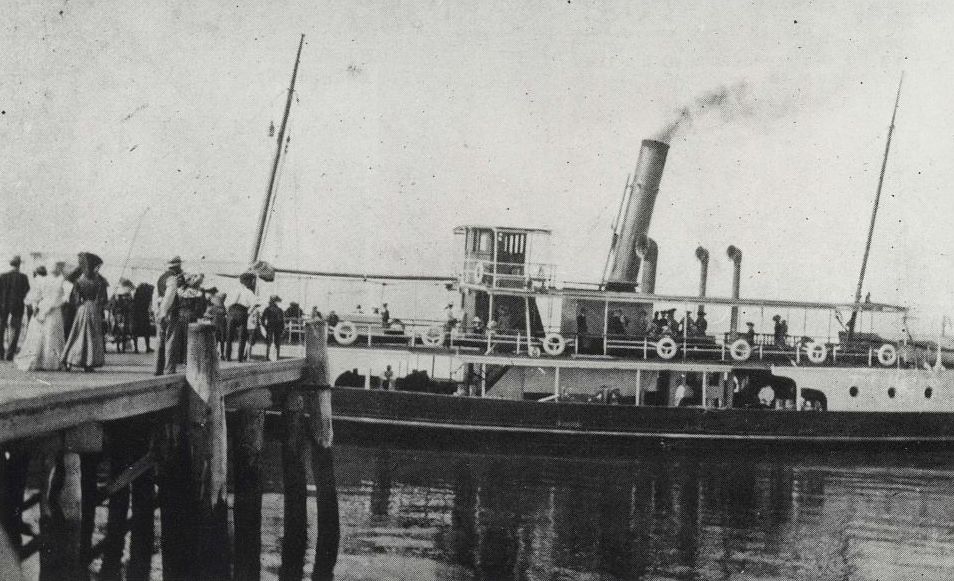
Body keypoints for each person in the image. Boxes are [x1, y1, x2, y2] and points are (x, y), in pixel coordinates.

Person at [16, 261, 67, 371]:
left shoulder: (42, 281)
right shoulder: (60, 281)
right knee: (52, 335)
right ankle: (51, 362)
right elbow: (61, 298)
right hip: (54, 311)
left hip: (42, 308)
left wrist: (35, 307)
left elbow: (34, 296)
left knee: (38, 335)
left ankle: (38, 360)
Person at [62, 253, 108, 372]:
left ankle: (70, 360)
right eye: (97, 266)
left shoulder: (79, 281)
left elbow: (74, 299)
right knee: (91, 336)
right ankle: (88, 362)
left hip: (82, 310)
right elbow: (103, 299)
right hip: (93, 309)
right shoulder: (100, 281)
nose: (98, 269)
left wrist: (80, 305)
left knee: (77, 334)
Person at [161, 273, 204, 375]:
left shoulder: (178, 291)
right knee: (189, 340)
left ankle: (178, 361)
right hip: (191, 316)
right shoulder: (197, 293)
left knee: (178, 339)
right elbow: (200, 308)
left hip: (179, 316)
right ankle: (188, 361)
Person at [153, 256, 183, 374]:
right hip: (170, 312)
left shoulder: (160, 277)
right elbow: (169, 297)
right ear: (178, 267)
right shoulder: (172, 279)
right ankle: (169, 369)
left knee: (159, 340)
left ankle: (157, 369)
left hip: (159, 310)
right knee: (170, 340)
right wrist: (164, 312)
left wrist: (157, 311)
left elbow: (155, 296)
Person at [0, 255, 30, 361]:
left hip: (2, 306)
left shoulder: (2, 276)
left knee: (1, 329)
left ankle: (0, 353)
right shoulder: (23, 277)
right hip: (17, 307)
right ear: (19, 265)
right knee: (15, 330)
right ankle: (10, 354)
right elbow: (27, 291)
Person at [225, 272, 256, 362]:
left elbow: (228, 303)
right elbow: (254, 304)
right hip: (242, 312)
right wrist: (248, 313)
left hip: (232, 311)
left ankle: (228, 357)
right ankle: (240, 358)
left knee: (229, 336)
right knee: (242, 337)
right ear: (247, 282)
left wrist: (229, 312)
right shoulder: (249, 292)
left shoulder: (234, 290)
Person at [109, 279, 135, 353]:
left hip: (124, 315)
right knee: (119, 330)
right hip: (119, 315)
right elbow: (112, 306)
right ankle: (119, 346)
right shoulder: (116, 295)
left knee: (121, 331)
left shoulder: (126, 295)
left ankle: (122, 346)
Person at [130, 282, 154, 353]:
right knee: (146, 332)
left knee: (135, 332)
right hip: (144, 314)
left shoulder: (136, 295)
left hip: (136, 315)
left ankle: (136, 348)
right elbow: (148, 305)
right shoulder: (147, 295)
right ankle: (147, 347)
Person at [204, 291, 228, 359]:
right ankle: (220, 354)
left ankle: (220, 354)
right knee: (219, 341)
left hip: (218, 325)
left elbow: (206, 315)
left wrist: (210, 316)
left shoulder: (220, 307)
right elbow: (206, 314)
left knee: (218, 341)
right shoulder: (221, 307)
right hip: (217, 325)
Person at [262, 295, 285, 361]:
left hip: (269, 327)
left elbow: (262, 319)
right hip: (277, 327)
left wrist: (264, 326)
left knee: (269, 342)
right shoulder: (279, 310)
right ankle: (277, 356)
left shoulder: (267, 309)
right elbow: (282, 320)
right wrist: (282, 328)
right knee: (277, 342)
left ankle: (267, 356)